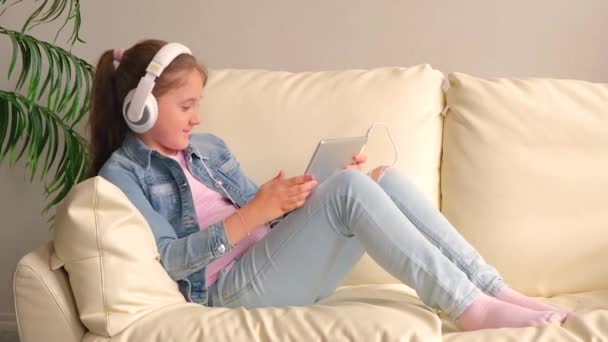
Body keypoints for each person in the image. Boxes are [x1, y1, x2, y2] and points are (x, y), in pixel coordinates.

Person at [88, 39, 568, 331]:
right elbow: (171, 259)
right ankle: (468, 309)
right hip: (226, 290)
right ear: (141, 109)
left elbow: (269, 220)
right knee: (350, 192)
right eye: (187, 106)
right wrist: (253, 213)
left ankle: (492, 289)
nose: (199, 116)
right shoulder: (122, 176)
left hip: (272, 264)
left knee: (381, 178)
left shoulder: (208, 148)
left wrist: (288, 198)